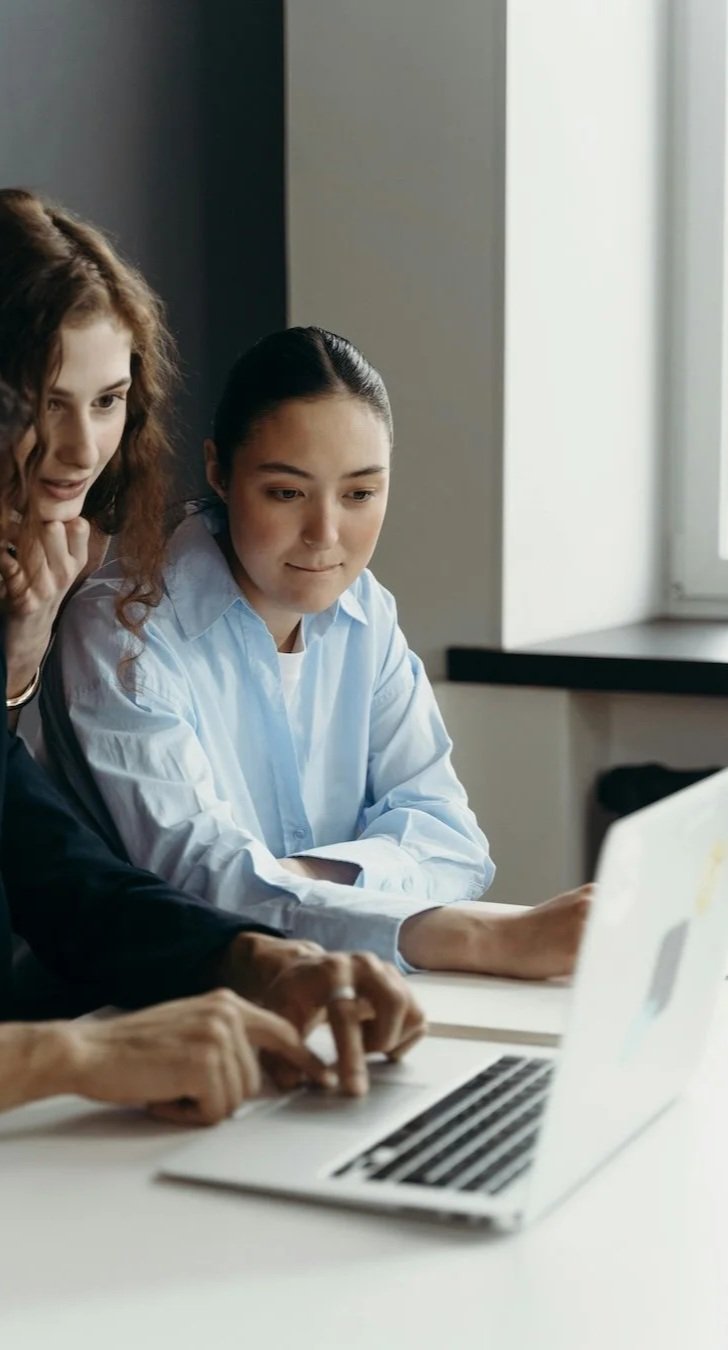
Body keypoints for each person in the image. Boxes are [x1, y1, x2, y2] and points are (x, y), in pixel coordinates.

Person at [0, 206, 425, 1117]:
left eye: (108, 401)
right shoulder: (121, 618)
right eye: (40, 402)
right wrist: (71, 1053)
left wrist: (262, 959)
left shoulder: (33, 583)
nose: (79, 451)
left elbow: (47, 862)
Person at [42, 326, 590, 977]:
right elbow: (203, 889)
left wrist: (293, 876)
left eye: (360, 494)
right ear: (219, 471)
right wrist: (484, 937)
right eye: (286, 492)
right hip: (176, 1008)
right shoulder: (122, 628)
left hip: (360, 988)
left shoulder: (367, 613)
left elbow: (453, 844)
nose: (325, 536)